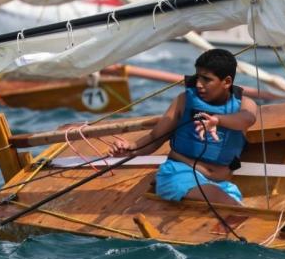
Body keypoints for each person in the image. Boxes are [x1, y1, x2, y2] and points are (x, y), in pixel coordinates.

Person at [109, 49, 257, 206]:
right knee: (226, 204)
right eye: (198, 77)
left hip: (222, 185)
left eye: (207, 79)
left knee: (230, 207)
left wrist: (217, 120)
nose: (199, 84)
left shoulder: (245, 105)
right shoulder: (184, 100)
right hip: (179, 174)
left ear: (226, 82)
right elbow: (154, 138)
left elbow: (247, 119)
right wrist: (129, 148)